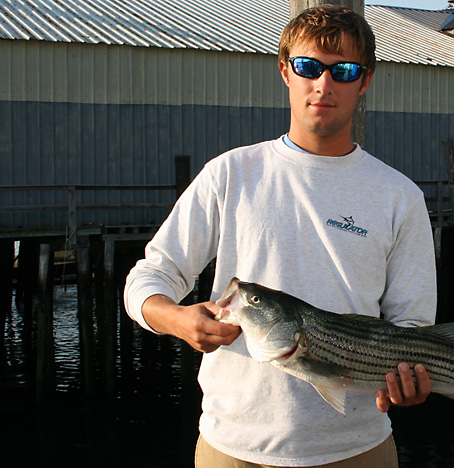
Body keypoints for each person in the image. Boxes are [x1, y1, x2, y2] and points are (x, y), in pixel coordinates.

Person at [124, 5, 437, 467]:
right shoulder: (230, 174)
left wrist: (411, 381)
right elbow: (151, 274)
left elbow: (412, 327)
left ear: (365, 80)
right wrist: (175, 319)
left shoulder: (400, 196)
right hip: (231, 448)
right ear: (285, 71)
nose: (324, 85)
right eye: (309, 67)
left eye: (344, 71)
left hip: (357, 450)